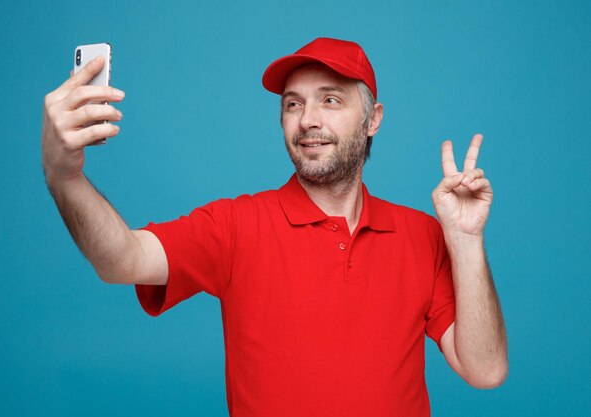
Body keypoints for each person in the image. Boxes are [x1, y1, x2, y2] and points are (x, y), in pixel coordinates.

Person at [42, 37, 507, 417]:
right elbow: (119, 259)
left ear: (373, 120)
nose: (308, 120)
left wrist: (466, 241)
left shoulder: (421, 235)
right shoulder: (235, 226)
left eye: (330, 100)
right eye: (292, 104)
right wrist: (64, 173)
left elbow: (484, 371)